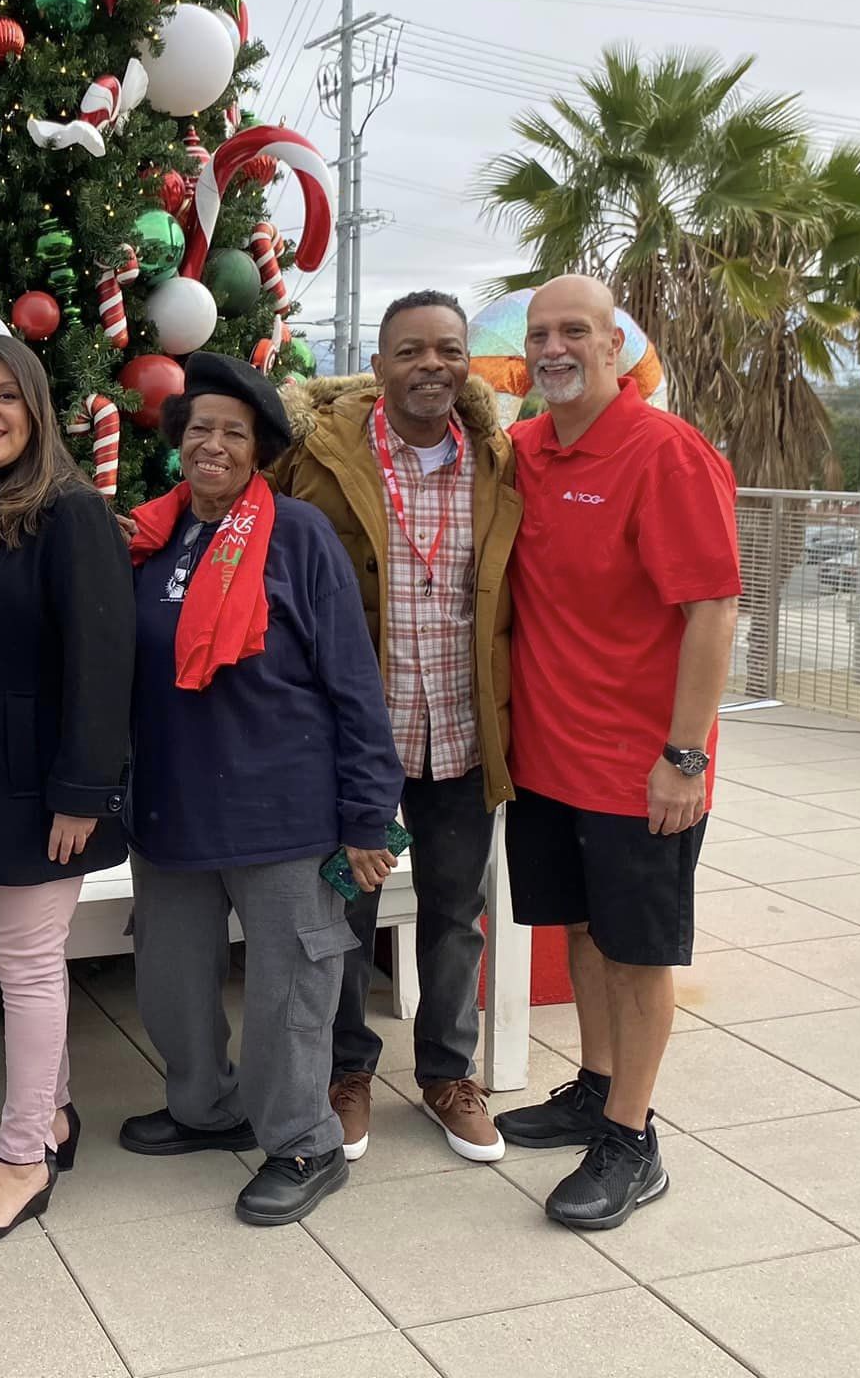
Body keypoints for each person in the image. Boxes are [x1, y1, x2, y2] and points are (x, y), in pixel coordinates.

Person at [121, 353, 405, 1227]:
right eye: (198, 428)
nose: (212, 443)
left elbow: (354, 683)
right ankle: (208, 1109)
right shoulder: (149, 536)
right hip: (172, 808)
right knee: (170, 979)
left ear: (258, 452)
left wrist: (368, 814)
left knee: (291, 988)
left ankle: (304, 1141)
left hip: (285, 809)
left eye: (232, 433)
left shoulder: (298, 536)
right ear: (178, 444)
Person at [491, 274, 740, 1231]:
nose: (555, 348)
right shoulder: (523, 451)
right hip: (548, 757)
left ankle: (633, 1139)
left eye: (576, 332)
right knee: (584, 933)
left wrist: (685, 757)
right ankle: (596, 1086)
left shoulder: (664, 452)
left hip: (643, 767)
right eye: (541, 333)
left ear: (614, 344)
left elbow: (713, 609)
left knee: (638, 954)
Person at [269, 291, 521, 1165]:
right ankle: (346, 1070)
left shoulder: (497, 462)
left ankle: (450, 1074)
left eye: (447, 350)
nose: (431, 365)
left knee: (458, 912)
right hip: (352, 745)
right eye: (409, 351)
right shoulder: (318, 457)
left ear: (466, 364)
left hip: (460, 730)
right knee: (345, 910)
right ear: (378, 366)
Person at [0, 335, 134, 1248]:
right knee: (25, 959)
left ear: (38, 409)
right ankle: (55, 1116)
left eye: (7, 394)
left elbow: (102, 659)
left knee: (28, 966)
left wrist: (81, 790)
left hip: (48, 787)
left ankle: (22, 1160)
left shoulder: (71, 512)